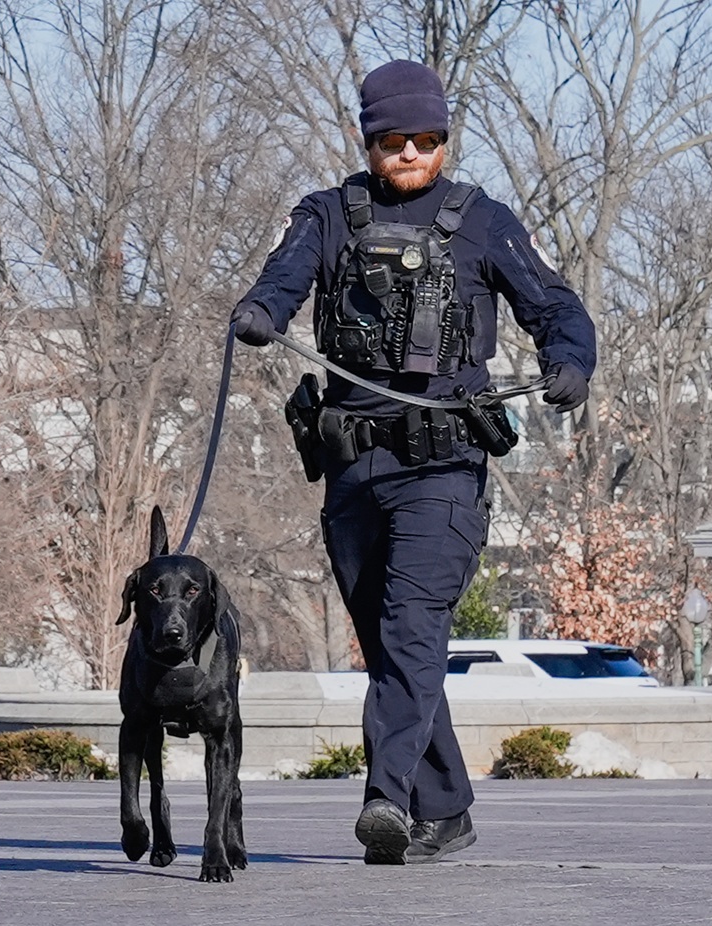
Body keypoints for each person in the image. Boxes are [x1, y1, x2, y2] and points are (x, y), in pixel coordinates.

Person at [231, 60, 596, 864]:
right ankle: (447, 809)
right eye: (393, 139)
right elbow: (279, 283)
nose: (409, 152)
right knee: (395, 648)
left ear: (443, 139)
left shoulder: (484, 220)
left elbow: (556, 306)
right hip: (354, 470)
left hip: (445, 470)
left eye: (426, 139)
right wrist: (258, 313)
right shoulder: (327, 216)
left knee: (409, 629)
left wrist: (571, 359)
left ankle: (385, 798)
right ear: (369, 141)